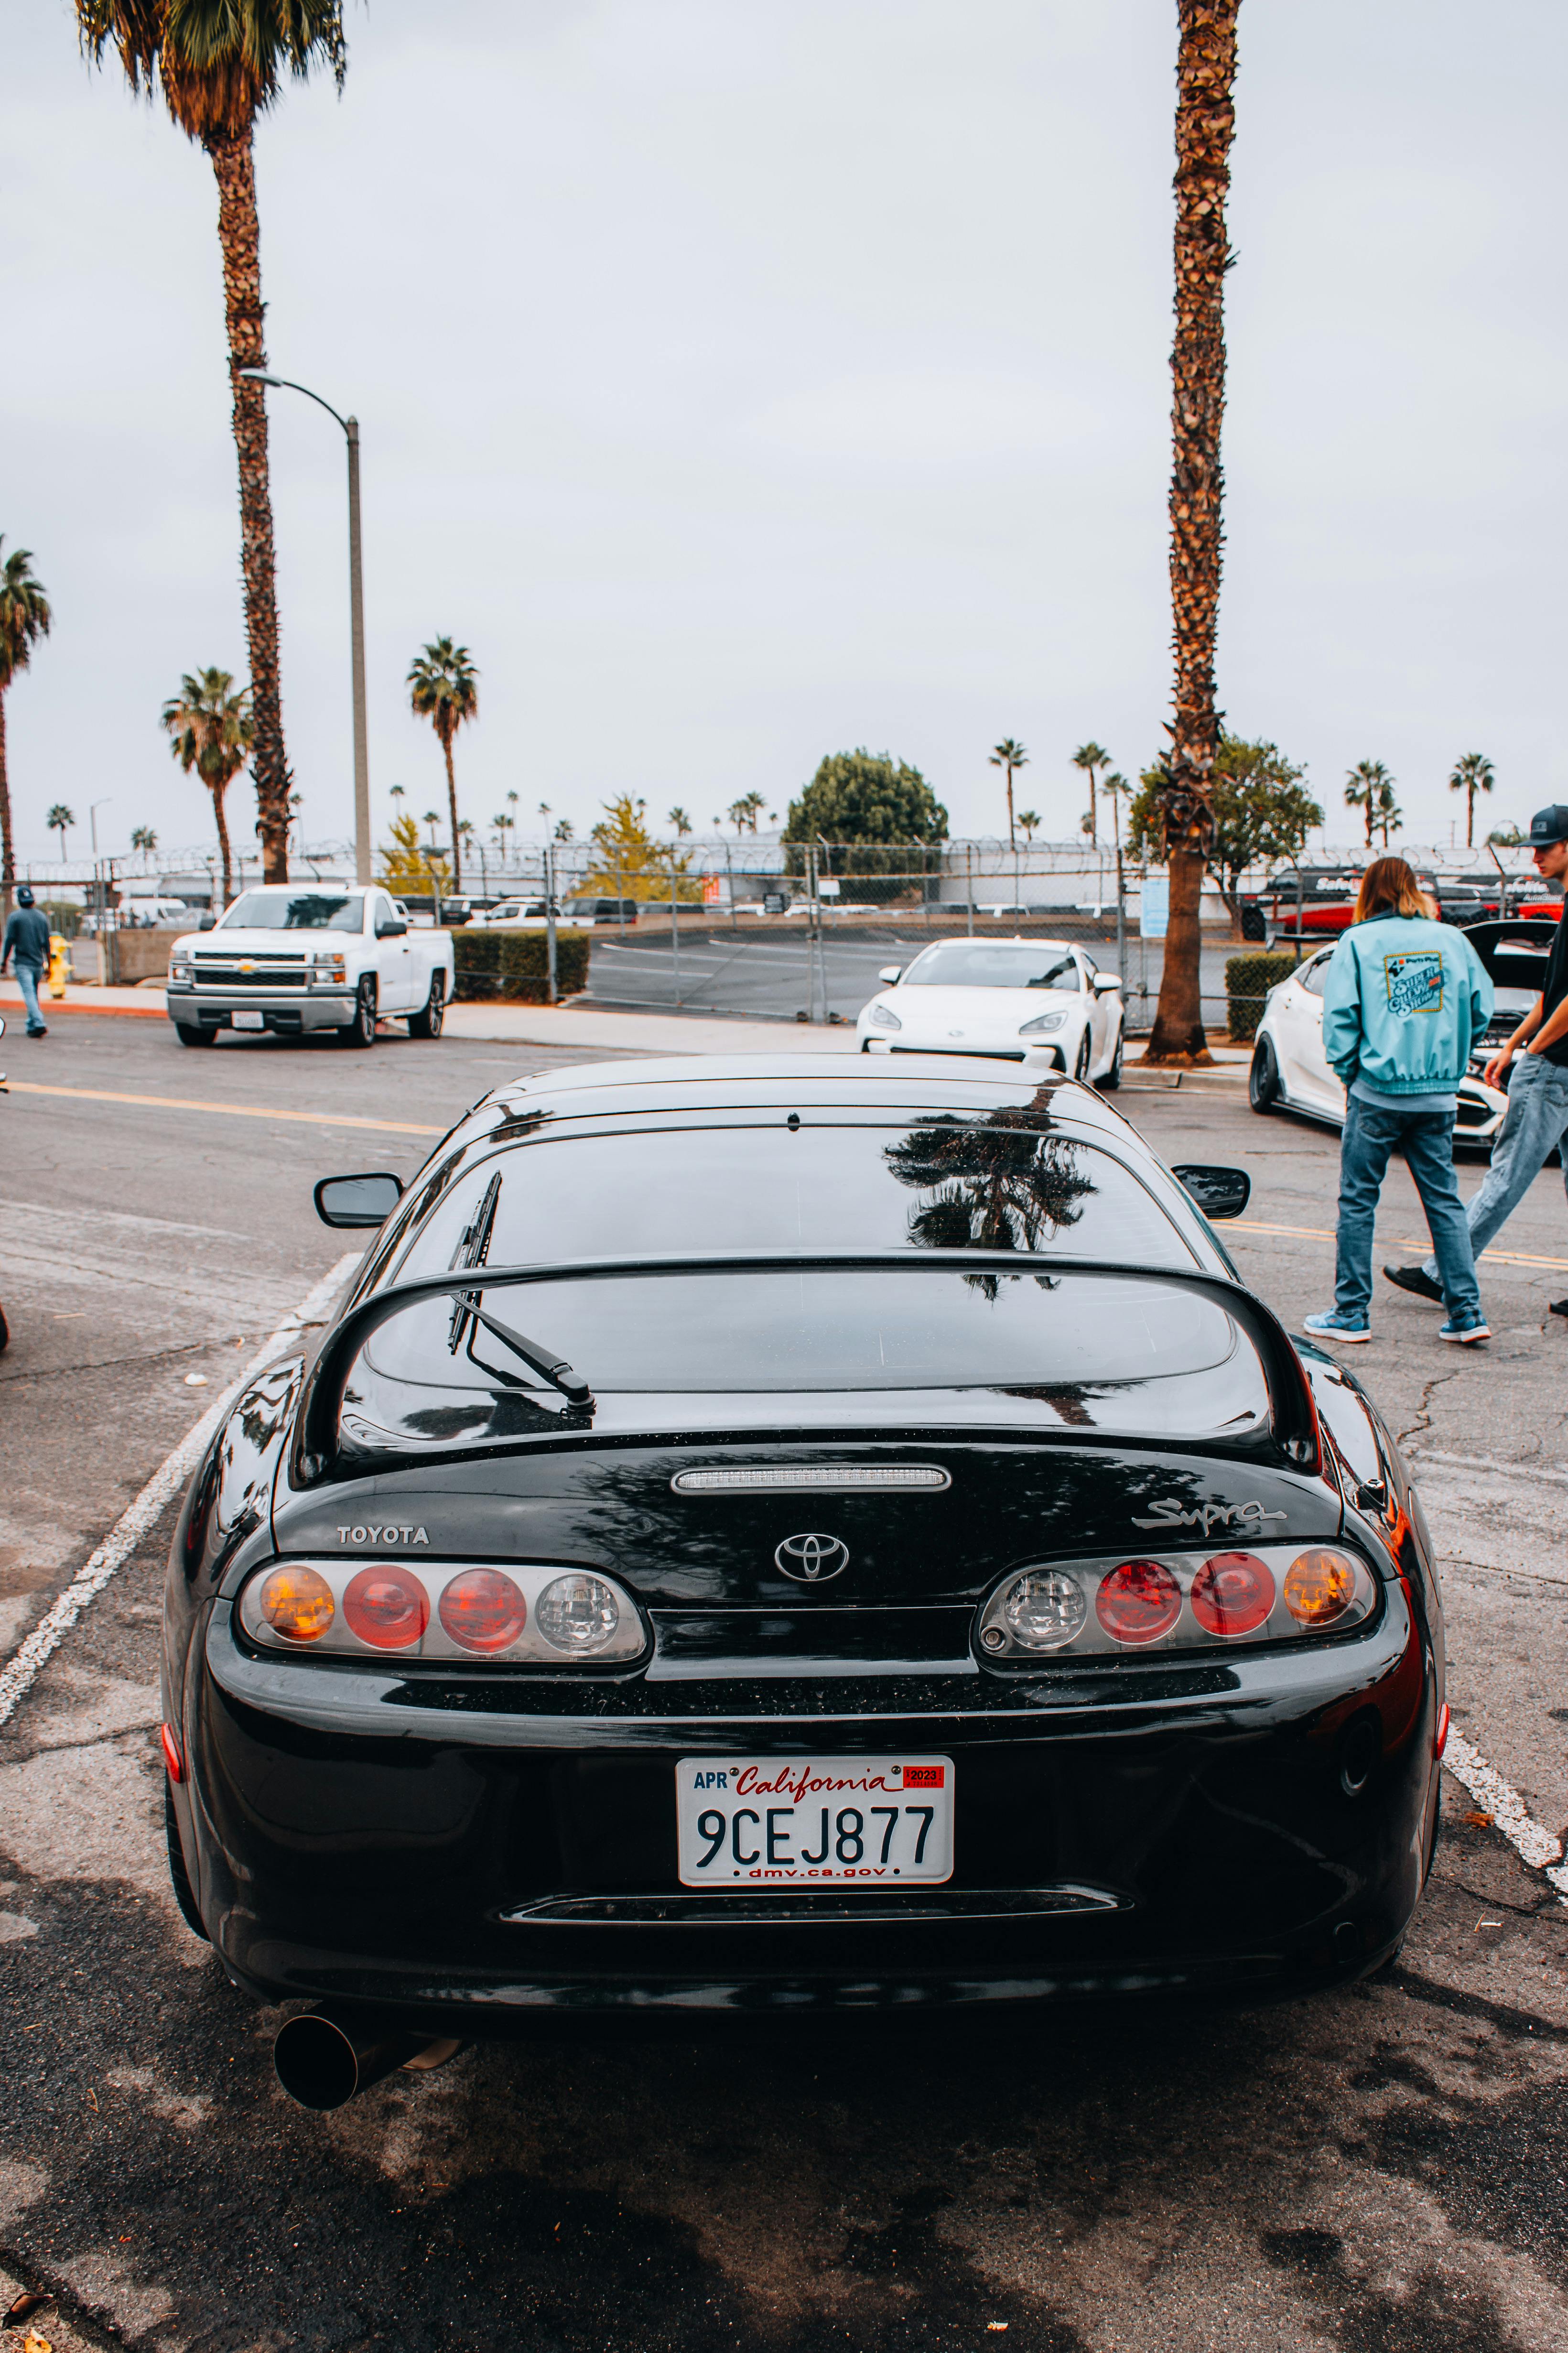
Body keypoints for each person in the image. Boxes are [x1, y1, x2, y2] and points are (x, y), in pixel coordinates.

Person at [1386, 803, 1568, 1320]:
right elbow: (1551, 996)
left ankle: (1443, 1274)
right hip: (1553, 1061)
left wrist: (1531, 1053)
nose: (1534, 856)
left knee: (1505, 1175)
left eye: (1545, 846)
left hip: (1554, 1069)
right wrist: (1511, 1047)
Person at [1304, 855, 1493, 1347]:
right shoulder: (1451, 941)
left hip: (1375, 1092)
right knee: (1444, 1204)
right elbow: (1480, 1008)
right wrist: (1450, 1062)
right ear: (1413, 889)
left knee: (1357, 1201)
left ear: (1368, 892)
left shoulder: (1358, 942)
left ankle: (1350, 1314)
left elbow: (1340, 1020)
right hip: (1436, 1097)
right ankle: (1466, 1313)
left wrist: (1351, 1074)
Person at [0, 886, 50, 1037]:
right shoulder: (42, 917)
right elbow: (47, 944)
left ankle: (39, 1022)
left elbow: (9, 941)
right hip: (38, 964)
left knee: (29, 995)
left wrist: (4, 963)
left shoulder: (15, 917)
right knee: (34, 995)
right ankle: (32, 1025)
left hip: (23, 963)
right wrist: (50, 965)